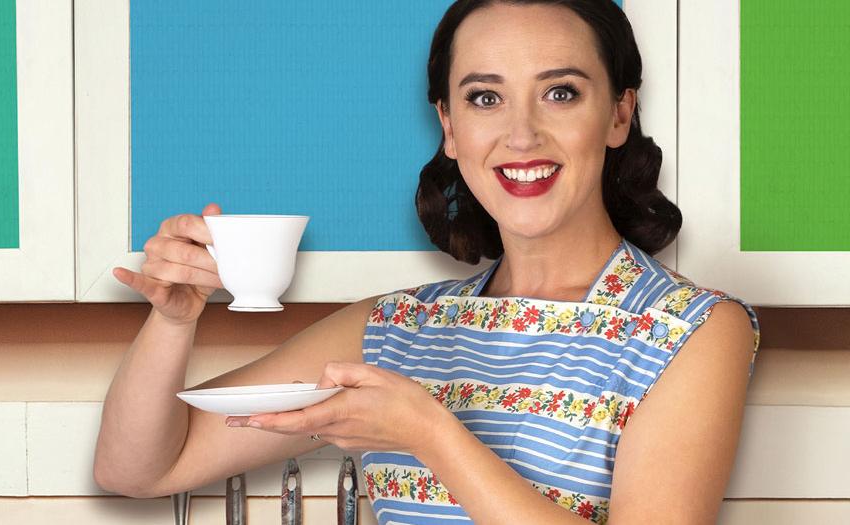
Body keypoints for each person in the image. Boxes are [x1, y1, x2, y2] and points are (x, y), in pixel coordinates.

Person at [93, 1, 759, 523]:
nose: (521, 134)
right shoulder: (398, 330)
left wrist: (431, 433)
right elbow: (138, 468)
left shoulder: (692, 332)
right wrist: (173, 322)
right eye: (484, 97)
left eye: (560, 92)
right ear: (448, 125)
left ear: (619, 114)